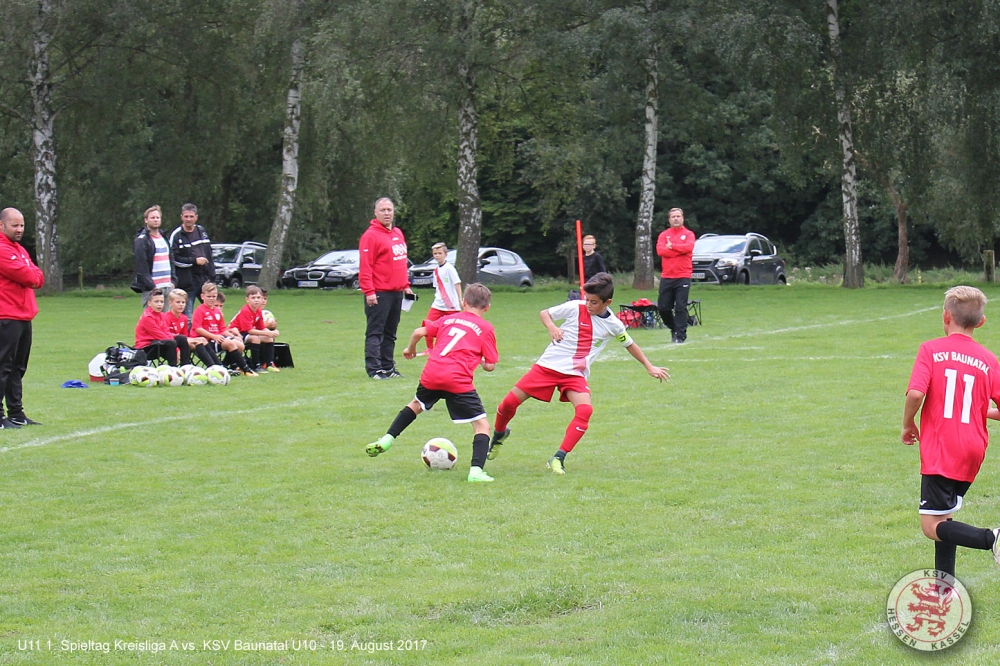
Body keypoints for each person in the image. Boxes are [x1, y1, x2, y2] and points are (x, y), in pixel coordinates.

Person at [488, 273, 669, 474]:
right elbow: (545, 313)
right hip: (547, 367)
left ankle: (558, 458)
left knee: (585, 411)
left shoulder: (614, 325)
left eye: (594, 302)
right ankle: (499, 434)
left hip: (574, 375)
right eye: (587, 300)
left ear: (607, 302)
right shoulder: (575, 307)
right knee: (507, 404)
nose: (588, 305)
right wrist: (552, 327)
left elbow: (629, 344)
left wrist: (649, 366)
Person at [901, 285, 1000, 577]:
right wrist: (982, 411)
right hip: (973, 450)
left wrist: (908, 423)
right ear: (981, 322)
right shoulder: (989, 360)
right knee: (944, 518)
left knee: (931, 526)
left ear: (946, 316)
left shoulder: (931, 350)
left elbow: (916, 393)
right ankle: (944, 589)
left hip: (942, 448)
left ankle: (993, 538)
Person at [366, 283, 499, 482]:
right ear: (487, 307)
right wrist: (479, 359)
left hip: (432, 373)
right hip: (457, 379)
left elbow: (418, 332)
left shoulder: (448, 319)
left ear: (463, 302)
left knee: (416, 405)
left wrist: (410, 349)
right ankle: (476, 472)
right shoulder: (486, 328)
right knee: (482, 426)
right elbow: (490, 366)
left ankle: (386, 439)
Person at [0, 208, 45, 429]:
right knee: (3, 367)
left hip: (23, 314)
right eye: (14, 225)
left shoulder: (19, 249)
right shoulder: (2, 249)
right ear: (1, 225)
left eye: (22, 225)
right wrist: (31, 273)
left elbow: (39, 277)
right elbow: (28, 276)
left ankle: (16, 412)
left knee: (18, 367)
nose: (19, 229)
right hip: (6, 314)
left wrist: (32, 274)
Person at [359, 197, 412, 379]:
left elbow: (401, 263)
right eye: (383, 210)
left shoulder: (397, 233)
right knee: (375, 332)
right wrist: (369, 291)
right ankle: (374, 369)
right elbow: (366, 267)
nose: (387, 213)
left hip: (396, 292)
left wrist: (406, 285)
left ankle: (388, 367)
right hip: (379, 292)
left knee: (390, 333)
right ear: (376, 212)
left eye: (389, 209)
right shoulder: (370, 236)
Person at [193, 282, 257, 376]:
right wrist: (214, 336)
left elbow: (222, 330)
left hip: (217, 338)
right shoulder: (199, 310)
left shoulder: (217, 312)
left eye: (213, 296)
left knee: (240, 345)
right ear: (202, 296)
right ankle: (246, 369)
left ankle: (226, 365)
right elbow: (197, 328)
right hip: (206, 341)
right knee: (229, 344)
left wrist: (233, 336)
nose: (211, 299)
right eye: (209, 296)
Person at [169, 203, 214, 320]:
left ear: (196, 217)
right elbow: (173, 259)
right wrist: (194, 261)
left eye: (191, 216)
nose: (189, 219)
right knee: (187, 317)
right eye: (186, 216)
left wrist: (212, 276)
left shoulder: (201, 231)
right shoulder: (176, 235)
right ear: (181, 217)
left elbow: (209, 254)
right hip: (187, 283)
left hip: (204, 280)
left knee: (212, 313)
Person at [655, 208, 695, 344]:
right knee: (663, 307)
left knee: (680, 307)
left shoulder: (688, 234)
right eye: (673, 217)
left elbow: (688, 248)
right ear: (669, 219)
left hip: (683, 275)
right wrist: (678, 250)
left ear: (682, 218)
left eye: (678, 216)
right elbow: (661, 251)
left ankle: (680, 335)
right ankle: (673, 327)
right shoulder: (664, 235)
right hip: (667, 276)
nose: (676, 219)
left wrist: (672, 246)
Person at [419, 242, 462, 355]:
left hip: (451, 305)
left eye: (440, 253)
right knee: (428, 325)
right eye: (435, 253)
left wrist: (460, 300)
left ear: (445, 254)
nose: (437, 255)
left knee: (454, 328)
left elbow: (457, 284)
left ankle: (454, 348)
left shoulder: (450, 268)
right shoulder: (436, 270)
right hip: (438, 304)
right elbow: (437, 287)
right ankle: (430, 349)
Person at [164, 289, 223, 368]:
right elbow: (166, 336)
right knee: (197, 341)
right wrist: (177, 349)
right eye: (178, 302)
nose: (181, 305)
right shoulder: (166, 317)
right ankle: (213, 367)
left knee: (202, 340)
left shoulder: (184, 318)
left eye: (183, 302)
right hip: (170, 343)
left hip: (182, 342)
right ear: (170, 303)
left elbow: (185, 335)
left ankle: (218, 366)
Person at [131, 205, 174, 308]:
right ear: (146, 220)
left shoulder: (164, 238)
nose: (155, 220)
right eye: (152, 218)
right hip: (153, 288)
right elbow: (141, 266)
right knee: (151, 317)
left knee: (166, 318)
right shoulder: (142, 240)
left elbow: (171, 260)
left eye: (158, 217)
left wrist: (173, 281)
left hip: (168, 286)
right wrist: (151, 286)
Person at [229, 285, 279, 371]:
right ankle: (256, 365)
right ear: (247, 299)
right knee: (255, 338)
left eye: (258, 297)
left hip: (247, 333)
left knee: (269, 338)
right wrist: (267, 332)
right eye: (253, 298)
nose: (256, 300)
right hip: (237, 333)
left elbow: (261, 327)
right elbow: (249, 330)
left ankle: (269, 364)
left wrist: (272, 333)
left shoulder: (258, 310)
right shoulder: (246, 311)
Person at [134, 289, 188, 366]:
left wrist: (177, 347)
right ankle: (173, 368)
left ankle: (185, 366)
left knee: (182, 338)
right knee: (171, 342)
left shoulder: (161, 315)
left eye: (161, 302)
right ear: (149, 303)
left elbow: (166, 332)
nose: (159, 304)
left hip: (158, 344)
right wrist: (176, 349)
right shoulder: (147, 317)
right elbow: (159, 335)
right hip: (146, 347)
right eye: (156, 302)